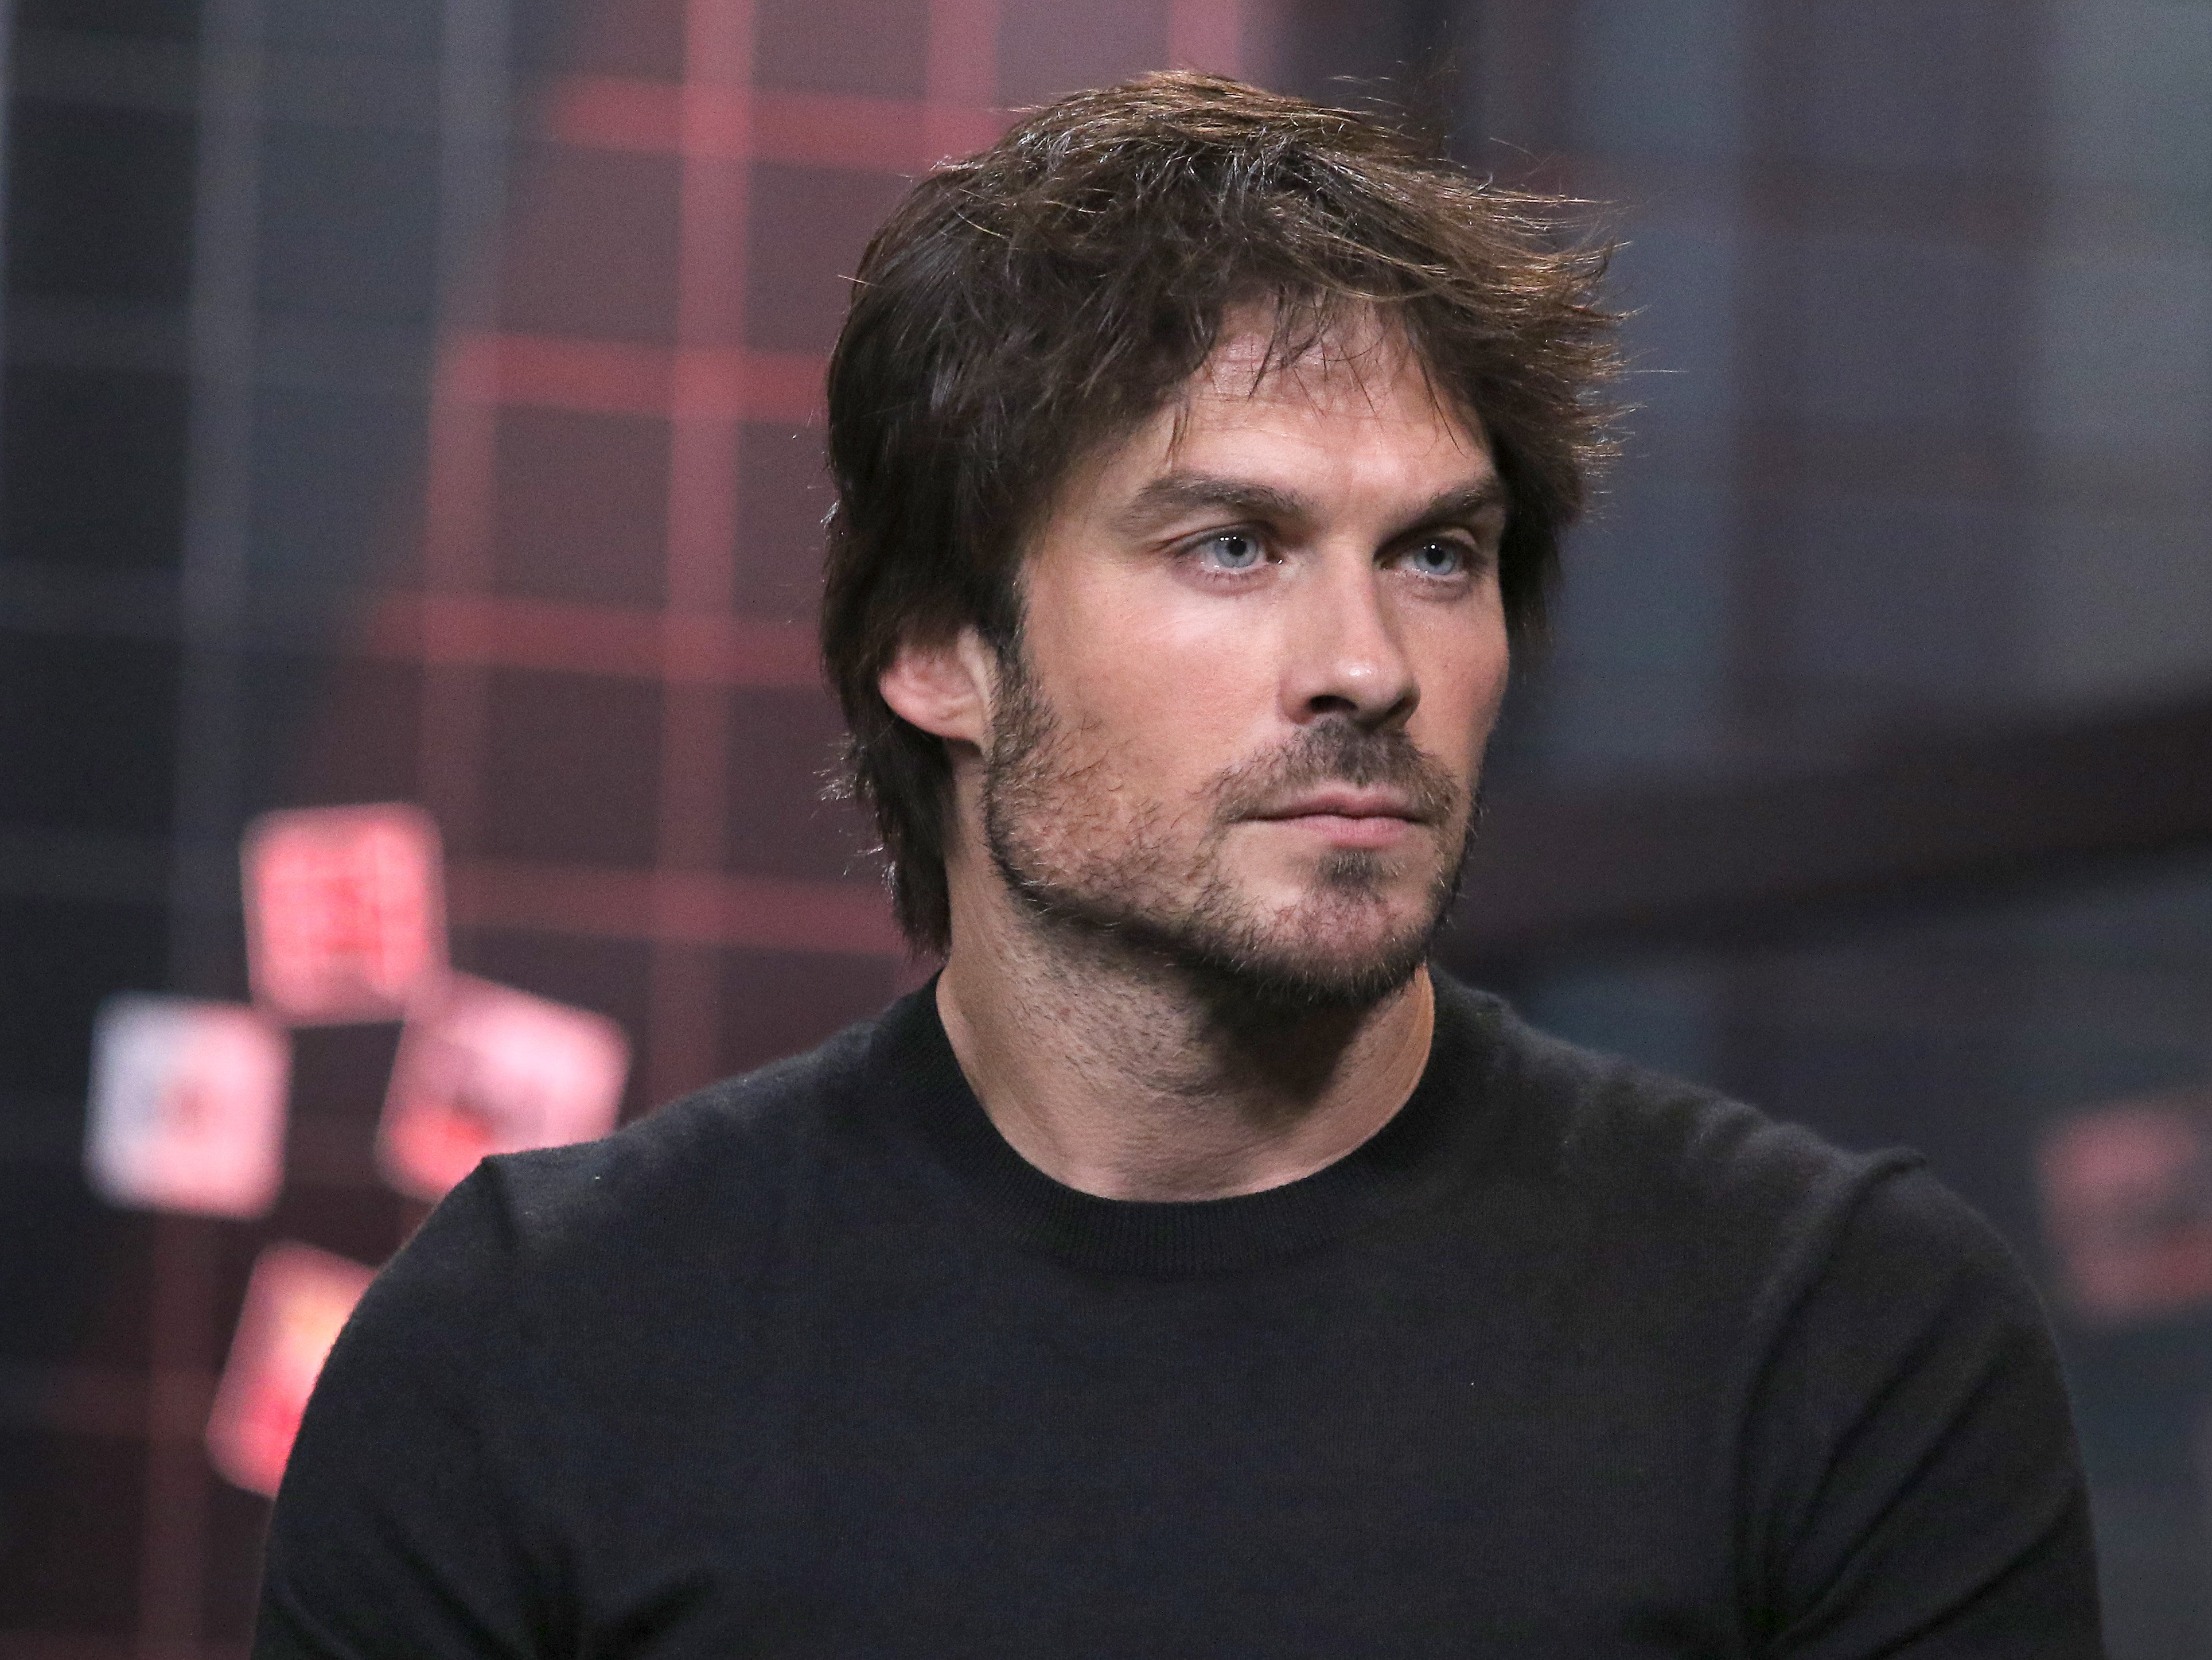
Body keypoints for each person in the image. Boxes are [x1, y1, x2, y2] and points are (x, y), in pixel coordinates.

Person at [255, 72, 2102, 1657]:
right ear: (938, 650)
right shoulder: (538, 1346)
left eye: (1436, 556)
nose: (1366, 667)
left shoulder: (1832, 1333)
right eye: (1232, 546)